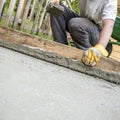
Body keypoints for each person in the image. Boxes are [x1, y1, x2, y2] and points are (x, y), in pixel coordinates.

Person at [48, 0, 117, 66]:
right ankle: (61, 48)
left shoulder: (110, 1)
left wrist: (100, 47)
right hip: (82, 22)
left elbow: (109, 25)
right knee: (55, 8)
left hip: (98, 34)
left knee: (75, 24)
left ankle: (88, 56)